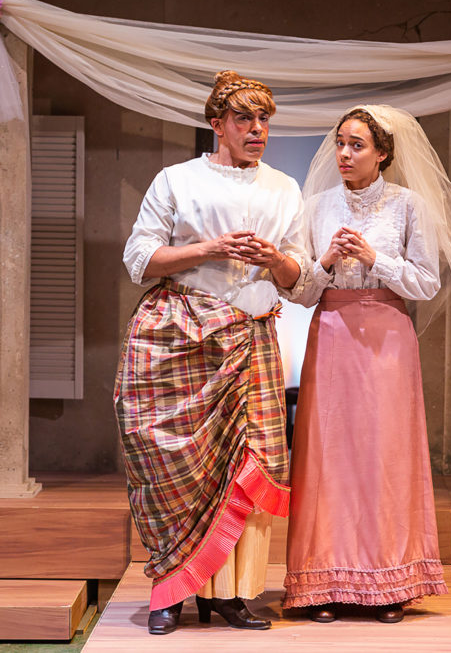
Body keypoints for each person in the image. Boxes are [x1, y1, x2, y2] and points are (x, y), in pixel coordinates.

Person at [114, 71, 307, 634]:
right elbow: (138, 259)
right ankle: (171, 588)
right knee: (178, 465)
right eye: (244, 119)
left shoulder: (283, 188)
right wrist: (210, 248)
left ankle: (231, 594)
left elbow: (299, 279)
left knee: (245, 464)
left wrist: (274, 259)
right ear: (216, 124)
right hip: (182, 338)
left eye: (264, 119)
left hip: (249, 342)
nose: (258, 129)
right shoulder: (177, 179)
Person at [283, 104, 451, 624]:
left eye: (357, 144)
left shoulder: (409, 206)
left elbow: (427, 284)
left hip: (388, 337)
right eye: (340, 142)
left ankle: (390, 584)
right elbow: (298, 293)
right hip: (333, 333)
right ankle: (323, 583)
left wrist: (374, 258)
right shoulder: (316, 206)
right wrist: (323, 264)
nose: (344, 153)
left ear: (383, 154)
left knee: (385, 457)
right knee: (329, 457)